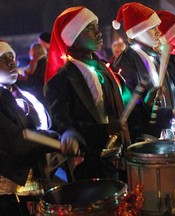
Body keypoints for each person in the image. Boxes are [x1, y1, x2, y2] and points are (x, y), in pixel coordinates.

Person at [44, 6, 130, 181]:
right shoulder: (61, 79)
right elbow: (63, 123)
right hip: (89, 166)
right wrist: (101, 130)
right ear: (73, 38)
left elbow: (127, 102)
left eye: (97, 28)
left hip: (119, 161)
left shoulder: (105, 68)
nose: (99, 34)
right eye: (90, 29)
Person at [0, 40, 79, 216]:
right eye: (3, 59)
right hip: (10, 196)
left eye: (11, 57)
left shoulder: (27, 96)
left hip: (40, 186)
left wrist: (67, 134)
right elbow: (18, 143)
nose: (11, 62)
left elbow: (54, 123)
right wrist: (55, 140)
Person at [113, 2, 175, 141]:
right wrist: (168, 113)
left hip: (170, 135)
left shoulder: (155, 56)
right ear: (137, 32)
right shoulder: (126, 63)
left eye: (157, 27)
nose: (158, 31)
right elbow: (130, 111)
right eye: (152, 28)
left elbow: (173, 94)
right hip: (146, 141)